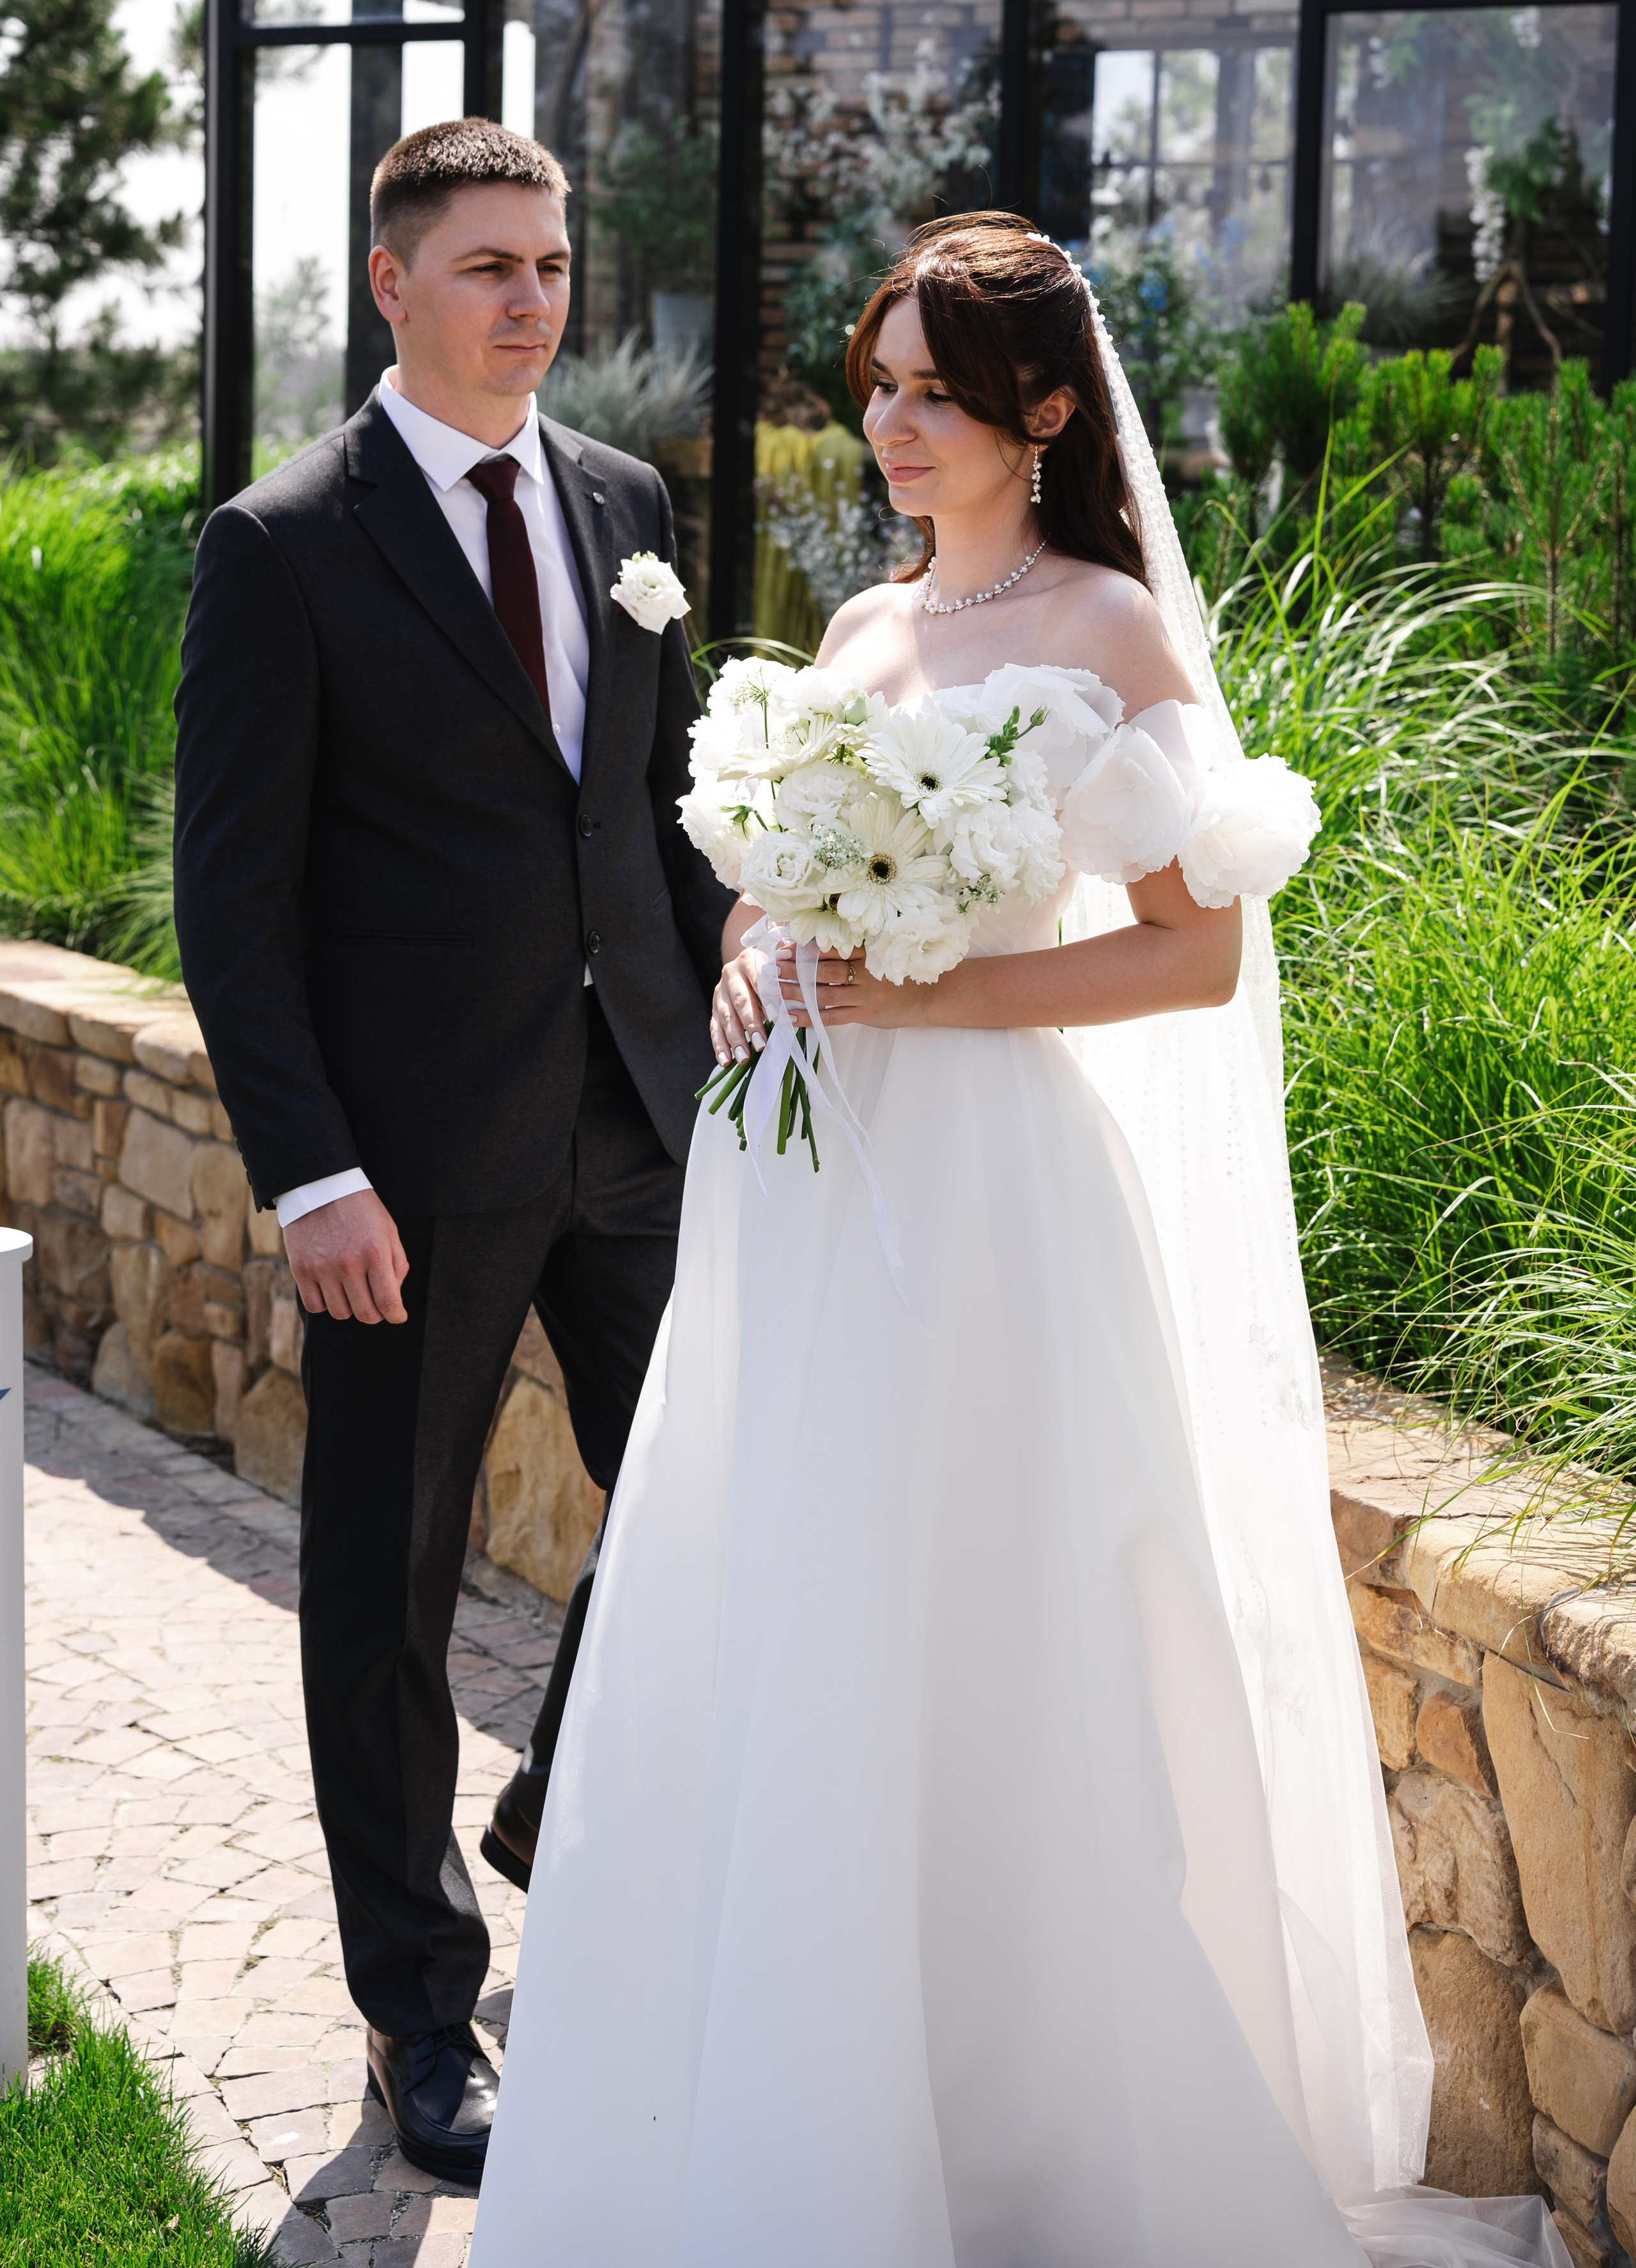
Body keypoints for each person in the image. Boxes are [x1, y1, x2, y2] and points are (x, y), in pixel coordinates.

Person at [467, 216, 1569, 2267]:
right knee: (807, 1618)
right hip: (812, 1193)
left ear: (1043, 414)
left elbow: (1192, 955)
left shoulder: (1115, 634)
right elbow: (776, 887)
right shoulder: (868, 633)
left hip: (999, 1200)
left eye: (932, 396)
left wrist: (933, 998)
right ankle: (801, 2104)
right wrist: (754, 954)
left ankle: (1036, 2143)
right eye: (877, 386)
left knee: (1008, 1635)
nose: (889, 426)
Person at [172, 118, 736, 2186]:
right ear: (395, 285)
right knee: (386, 1596)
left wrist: (747, 1001)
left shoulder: (622, 503)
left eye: (555, 263)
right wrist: (313, 1173)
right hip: (406, 1169)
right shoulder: (287, 542)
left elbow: (664, 811)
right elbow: (231, 900)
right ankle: (423, 2013)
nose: (534, 300)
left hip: (645, 1124)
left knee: (713, 1491)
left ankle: (545, 1805)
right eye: (490, 264)